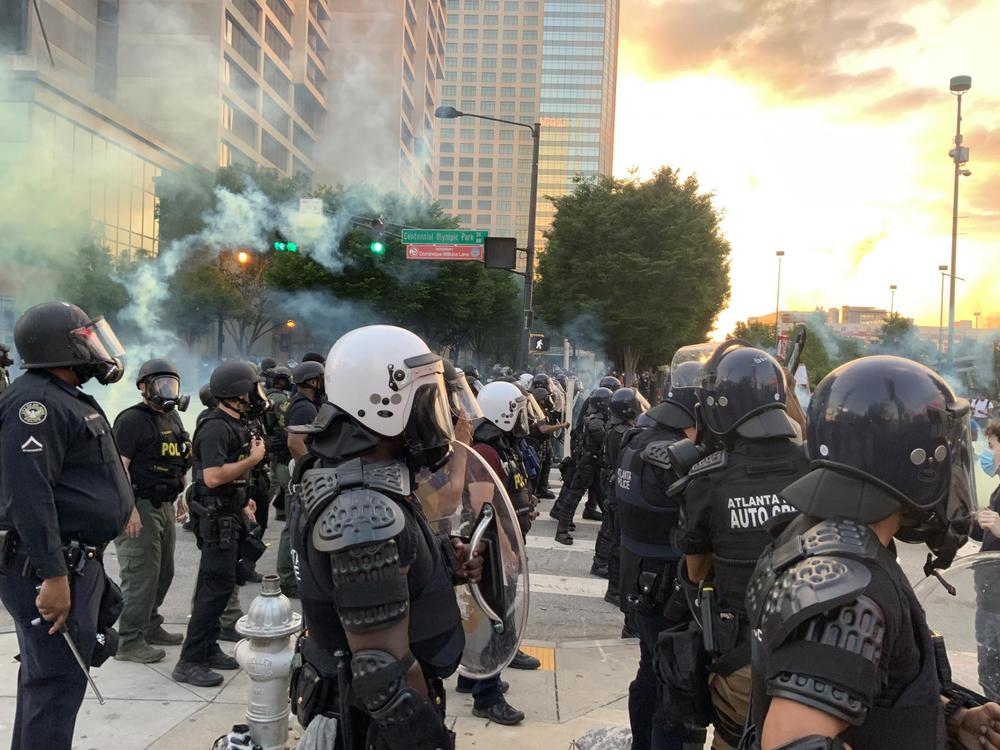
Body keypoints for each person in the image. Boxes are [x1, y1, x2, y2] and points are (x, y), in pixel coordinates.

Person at [745, 355, 1000, 750]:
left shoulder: (824, 535)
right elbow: (791, 743)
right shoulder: (849, 594)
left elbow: (872, 689)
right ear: (915, 463)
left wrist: (951, 717)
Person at [286, 325, 480, 749]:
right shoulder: (360, 510)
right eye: (425, 401)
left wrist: (445, 562)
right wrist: (428, 740)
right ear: (381, 401)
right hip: (375, 730)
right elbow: (381, 674)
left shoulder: (357, 477)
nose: (432, 416)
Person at [0, 302, 132, 749]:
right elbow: (30, 496)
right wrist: (54, 575)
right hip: (50, 569)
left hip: (76, 561)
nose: (96, 348)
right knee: (53, 690)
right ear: (61, 347)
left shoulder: (62, 395)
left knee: (51, 684)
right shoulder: (33, 403)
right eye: (85, 339)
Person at [679, 342, 810, 749]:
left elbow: (695, 572)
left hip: (741, 657)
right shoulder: (815, 467)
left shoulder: (708, 479)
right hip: (815, 652)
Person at [618, 360, 706, 750]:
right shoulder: (673, 457)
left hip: (638, 580)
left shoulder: (635, 440)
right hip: (669, 591)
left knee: (649, 673)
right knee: (673, 693)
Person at [173, 360, 268, 687]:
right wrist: (253, 460)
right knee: (214, 589)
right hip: (216, 519)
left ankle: (208, 646)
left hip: (229, 512)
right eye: (251, 388)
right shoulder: (215, 426)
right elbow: (212, 477)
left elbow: (230, 475)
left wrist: (244, 500)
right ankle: (190, 660)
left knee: (216, 587)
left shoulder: (236, 423)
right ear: (235, 394)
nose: (256, 394)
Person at [112, 358, 191, 663]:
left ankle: (149, 625)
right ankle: (129, 641)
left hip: (165, 504)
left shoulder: (173, 419)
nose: (168, 390)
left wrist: (180, 494)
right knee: (140, 574)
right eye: (161, 384)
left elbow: (178, 458)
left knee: (163, 572)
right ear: (144, 387)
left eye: (172, 384)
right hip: (139, 505)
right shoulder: (132, 420)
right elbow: (120, 468)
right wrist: (128, 509)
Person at [276, 360, 324, 597]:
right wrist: (310, 470)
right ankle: (287, 579)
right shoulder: (305, 407)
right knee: (293, 527)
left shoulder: (300, 402)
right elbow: (295, 442)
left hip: (294, 468)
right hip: (298, 470)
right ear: (312, 381)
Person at [593, 387, 643, 588]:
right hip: (615, 483)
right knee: (614, 533)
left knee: (608, 527)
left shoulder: (615, 428)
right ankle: (608, 573)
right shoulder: (623, 432)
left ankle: (600, 562)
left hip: (610, 480)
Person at [555, 386, 613, 544]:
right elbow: (605, 443)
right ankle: (561, 532)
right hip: (588, 465)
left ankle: (612, 531)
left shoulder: (597, 417)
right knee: (573, 498)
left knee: (603, 498)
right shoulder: (595, 422)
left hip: (594, 465)